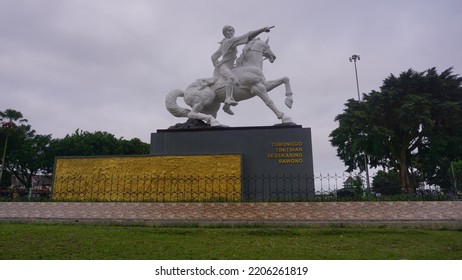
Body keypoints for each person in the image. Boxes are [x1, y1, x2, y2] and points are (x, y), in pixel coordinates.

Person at [211, 25, 273, 114]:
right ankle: (228, 99)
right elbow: (247, 36)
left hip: (231, 67)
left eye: (232, 30)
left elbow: (213, 56)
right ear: (225, 33)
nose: (231, 32)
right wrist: (262, 29)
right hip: (225, 67)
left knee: (238, 81)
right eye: (229, 31)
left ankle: (226, 107)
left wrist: (215, 62)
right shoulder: (230, 41)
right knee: (231, 78)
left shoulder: (224, 44)